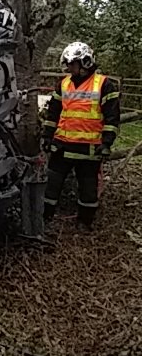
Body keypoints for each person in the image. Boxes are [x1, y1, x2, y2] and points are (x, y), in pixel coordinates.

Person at [41, 42, 120, 231]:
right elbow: (53, 114)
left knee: (88, 187)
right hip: (62, 146)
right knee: (52, 183)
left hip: (90, 148)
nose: (69, 68)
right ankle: (45, 217)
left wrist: (107, 143)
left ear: (85, 62)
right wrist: (47, 137)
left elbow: (112, 118)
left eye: (72, 64)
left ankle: (85, 222)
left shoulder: (104, 84)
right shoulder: (63, 84)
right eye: (67, 64)